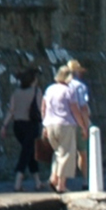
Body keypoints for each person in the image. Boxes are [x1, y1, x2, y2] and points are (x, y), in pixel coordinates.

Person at [43, 60, 90, 194]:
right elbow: (75, 110)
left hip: (50, 124)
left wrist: (44, 124)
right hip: (65, 125)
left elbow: (43, 107)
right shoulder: (69, 91)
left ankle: (53, 178)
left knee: (57, 153)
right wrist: (83, 126)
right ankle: (61, 185)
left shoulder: (49, 89)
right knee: (67, 155)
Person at [2, 67, 43, 191]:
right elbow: (41, 109)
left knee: (29, 151)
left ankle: (37, 182)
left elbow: (11, 110)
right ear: (33, 80)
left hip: (18, 126)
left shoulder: (16, 92)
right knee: (26, 153)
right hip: (31, 125)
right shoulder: (37, 91)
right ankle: (18, 181)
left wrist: (4, 125)